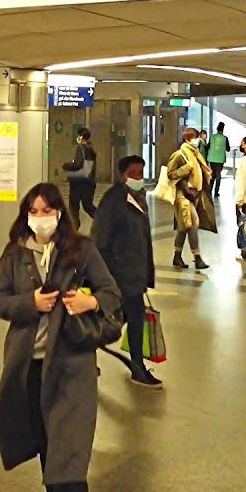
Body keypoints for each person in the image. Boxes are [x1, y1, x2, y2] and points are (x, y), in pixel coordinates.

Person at [0, 183, 121, 492]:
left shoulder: (81, 250)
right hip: (28, 365)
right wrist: (29, 303)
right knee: (48, 441)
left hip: (72, 364)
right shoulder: (15, 255)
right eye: (35, 210)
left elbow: (111, 292)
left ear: (60, 213)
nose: (41, 217)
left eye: (48, 210)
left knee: (69, 445)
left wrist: (89, 301)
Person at [92, 156, 161, 389]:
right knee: (126, 318)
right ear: (124, 176)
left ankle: (134, 366)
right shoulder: (113, 200)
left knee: (128, 318)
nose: (139, 178)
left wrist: (146, 274)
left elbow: (142, 241)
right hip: (120, 275)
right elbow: (100, 240)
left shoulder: (138, 199)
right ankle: (136, 368)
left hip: (134, 274)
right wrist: (107, 277)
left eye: (142, 172)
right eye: (135, 173)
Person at [166, 127, 215, 270]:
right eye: (195, 137)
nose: (197, 140)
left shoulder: (195, 154)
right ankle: (197, 257)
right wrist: (185, 169)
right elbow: (171, 173)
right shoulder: (180, 155)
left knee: (183, 227)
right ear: (187, 139)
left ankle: (177, 256)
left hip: (195, 194)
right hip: (183, 194)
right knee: (193, 223)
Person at [63, 128, 98, 230]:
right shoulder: (90, 149)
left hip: (78, 183)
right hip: (89, 182)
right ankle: (102, 221)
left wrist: (66, 165)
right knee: (88, 206)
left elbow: (78, 164)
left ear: (81, 137)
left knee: (73, 206)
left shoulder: (81, 148)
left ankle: (74, 228)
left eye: (78, 135)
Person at [206, 122, 231, 198]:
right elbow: (228, 149)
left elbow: (208, 146)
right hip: (220, 159)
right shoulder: (225, 138)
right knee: (218, 175)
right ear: (223, 129)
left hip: (212, 158)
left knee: (212, 174)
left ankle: (209, 190)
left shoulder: (212, 137)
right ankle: (216, 192)